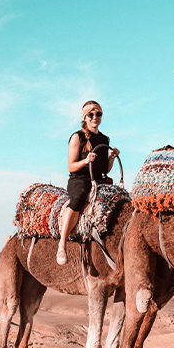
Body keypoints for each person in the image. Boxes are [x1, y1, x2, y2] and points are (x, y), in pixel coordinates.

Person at [56, 100, 119, 266]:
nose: (95, 117)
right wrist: (86, 161)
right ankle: (62, 245)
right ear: (85, 117)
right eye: (91, 114)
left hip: (98, 181)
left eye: (98, 114)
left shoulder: (104, 139)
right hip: (80, 179)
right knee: (78, 199)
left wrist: (111, 158)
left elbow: (105, 168)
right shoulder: (78, 137)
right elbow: (71, 165)